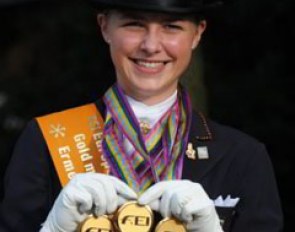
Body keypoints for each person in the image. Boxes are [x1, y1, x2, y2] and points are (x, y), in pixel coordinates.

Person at [0, 0, 283, 231]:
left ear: (197, 34)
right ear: (104, 27)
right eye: (134, 24)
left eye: (171, 27)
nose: (150, 45)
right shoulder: (44, 140)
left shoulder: (244, 156)